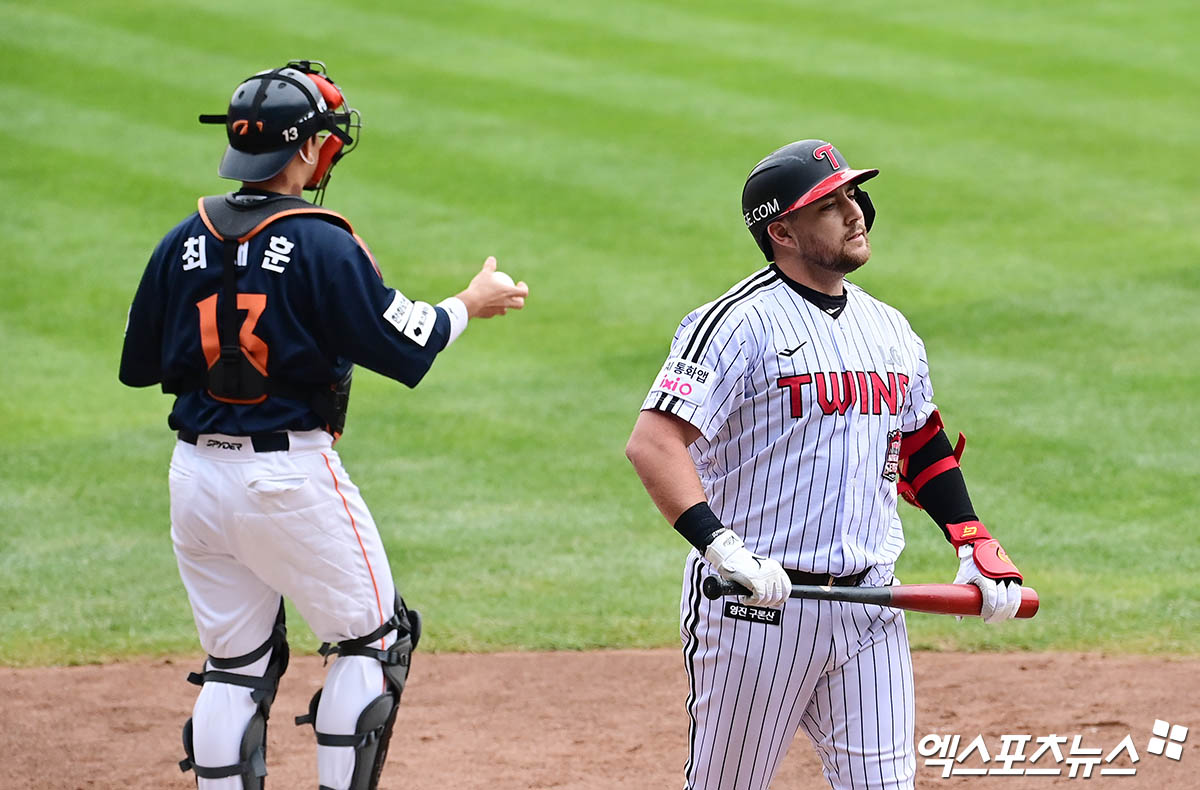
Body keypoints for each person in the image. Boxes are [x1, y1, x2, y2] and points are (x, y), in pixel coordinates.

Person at [118, 60, 528, 790]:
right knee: (372, 643)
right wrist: (474, 300)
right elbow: (410, 341)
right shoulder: (323, 242)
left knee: (235, 665)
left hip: (195, 481)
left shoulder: (181, 240)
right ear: (306, 149)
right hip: (288, 478)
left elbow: (141, 366)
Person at [625, 139, 1023, 790]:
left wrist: (972, 539)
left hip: (871, 606)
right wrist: (720, 547)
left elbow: (919, 437)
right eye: (828, 204)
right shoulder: (734, 324)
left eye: (852, 196)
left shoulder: (891, 328)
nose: (854, 212)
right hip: (756, 606)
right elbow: (654, 442)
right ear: (781, 230)